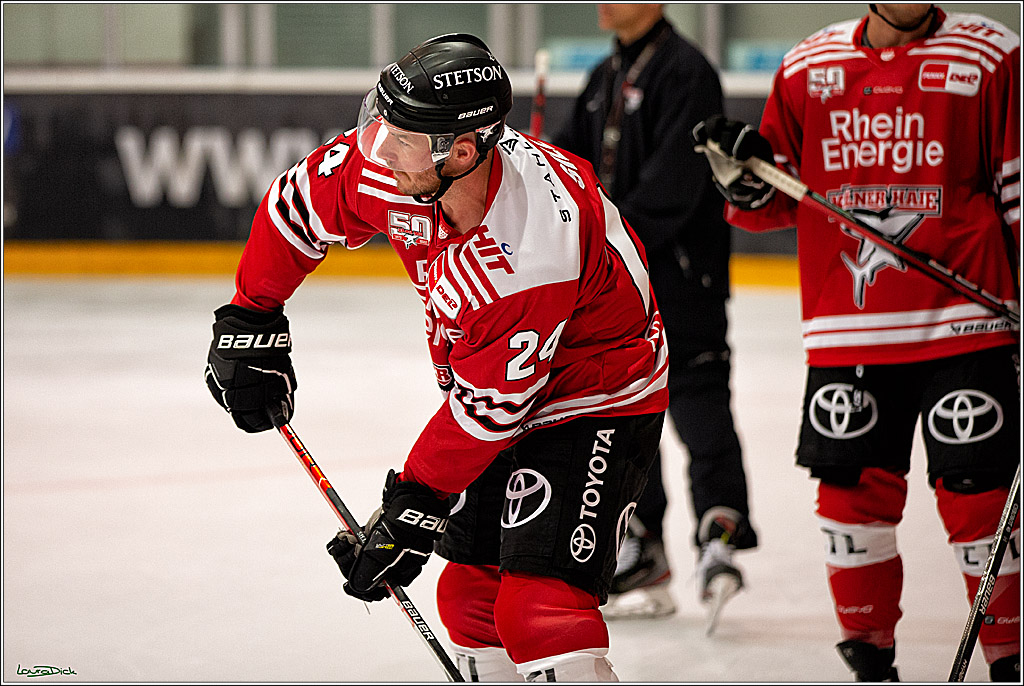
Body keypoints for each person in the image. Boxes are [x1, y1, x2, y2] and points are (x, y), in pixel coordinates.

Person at [205, 33, 670, 682]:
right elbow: (297, 207)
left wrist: (411, 509)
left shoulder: (528, 249)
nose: (381, 146)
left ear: (461, 149)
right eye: (385, 121)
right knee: (469, 599)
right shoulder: (399, 161)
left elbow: (491, 412)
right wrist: (252, 315)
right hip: (500, 381)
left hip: (596, 390)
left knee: (540, 607)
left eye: (403, 136)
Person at [694, 3, 1019, 681]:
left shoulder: (992, 55)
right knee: (848, 499)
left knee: (980, 496)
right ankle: (871, 662)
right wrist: (742, 176)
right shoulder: (810, 66)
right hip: (849, 329)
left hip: (969, 319)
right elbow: (778, 197)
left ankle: (1010, 659)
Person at [552, 3, 758, 626]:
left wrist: (601, 243)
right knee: (625, 414)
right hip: (621, 287)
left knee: (698, 407)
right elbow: (567, 169)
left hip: (679, 281)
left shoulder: (687, 72)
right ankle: (642, 544)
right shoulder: (605, 75)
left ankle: (719, 538)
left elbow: (675, 185)